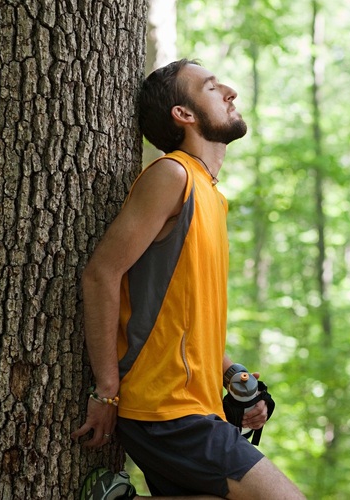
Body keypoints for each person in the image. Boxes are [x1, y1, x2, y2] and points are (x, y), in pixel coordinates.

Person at [71, 59, 305, 500]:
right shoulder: (173, 175)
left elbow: (181, 317)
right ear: (184, 114)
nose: (231, 90)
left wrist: (231, 373)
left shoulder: (212, 198)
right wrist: (105, 393)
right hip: (163, 408)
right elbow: (101, 273)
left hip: (195, 406)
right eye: (214, 87)